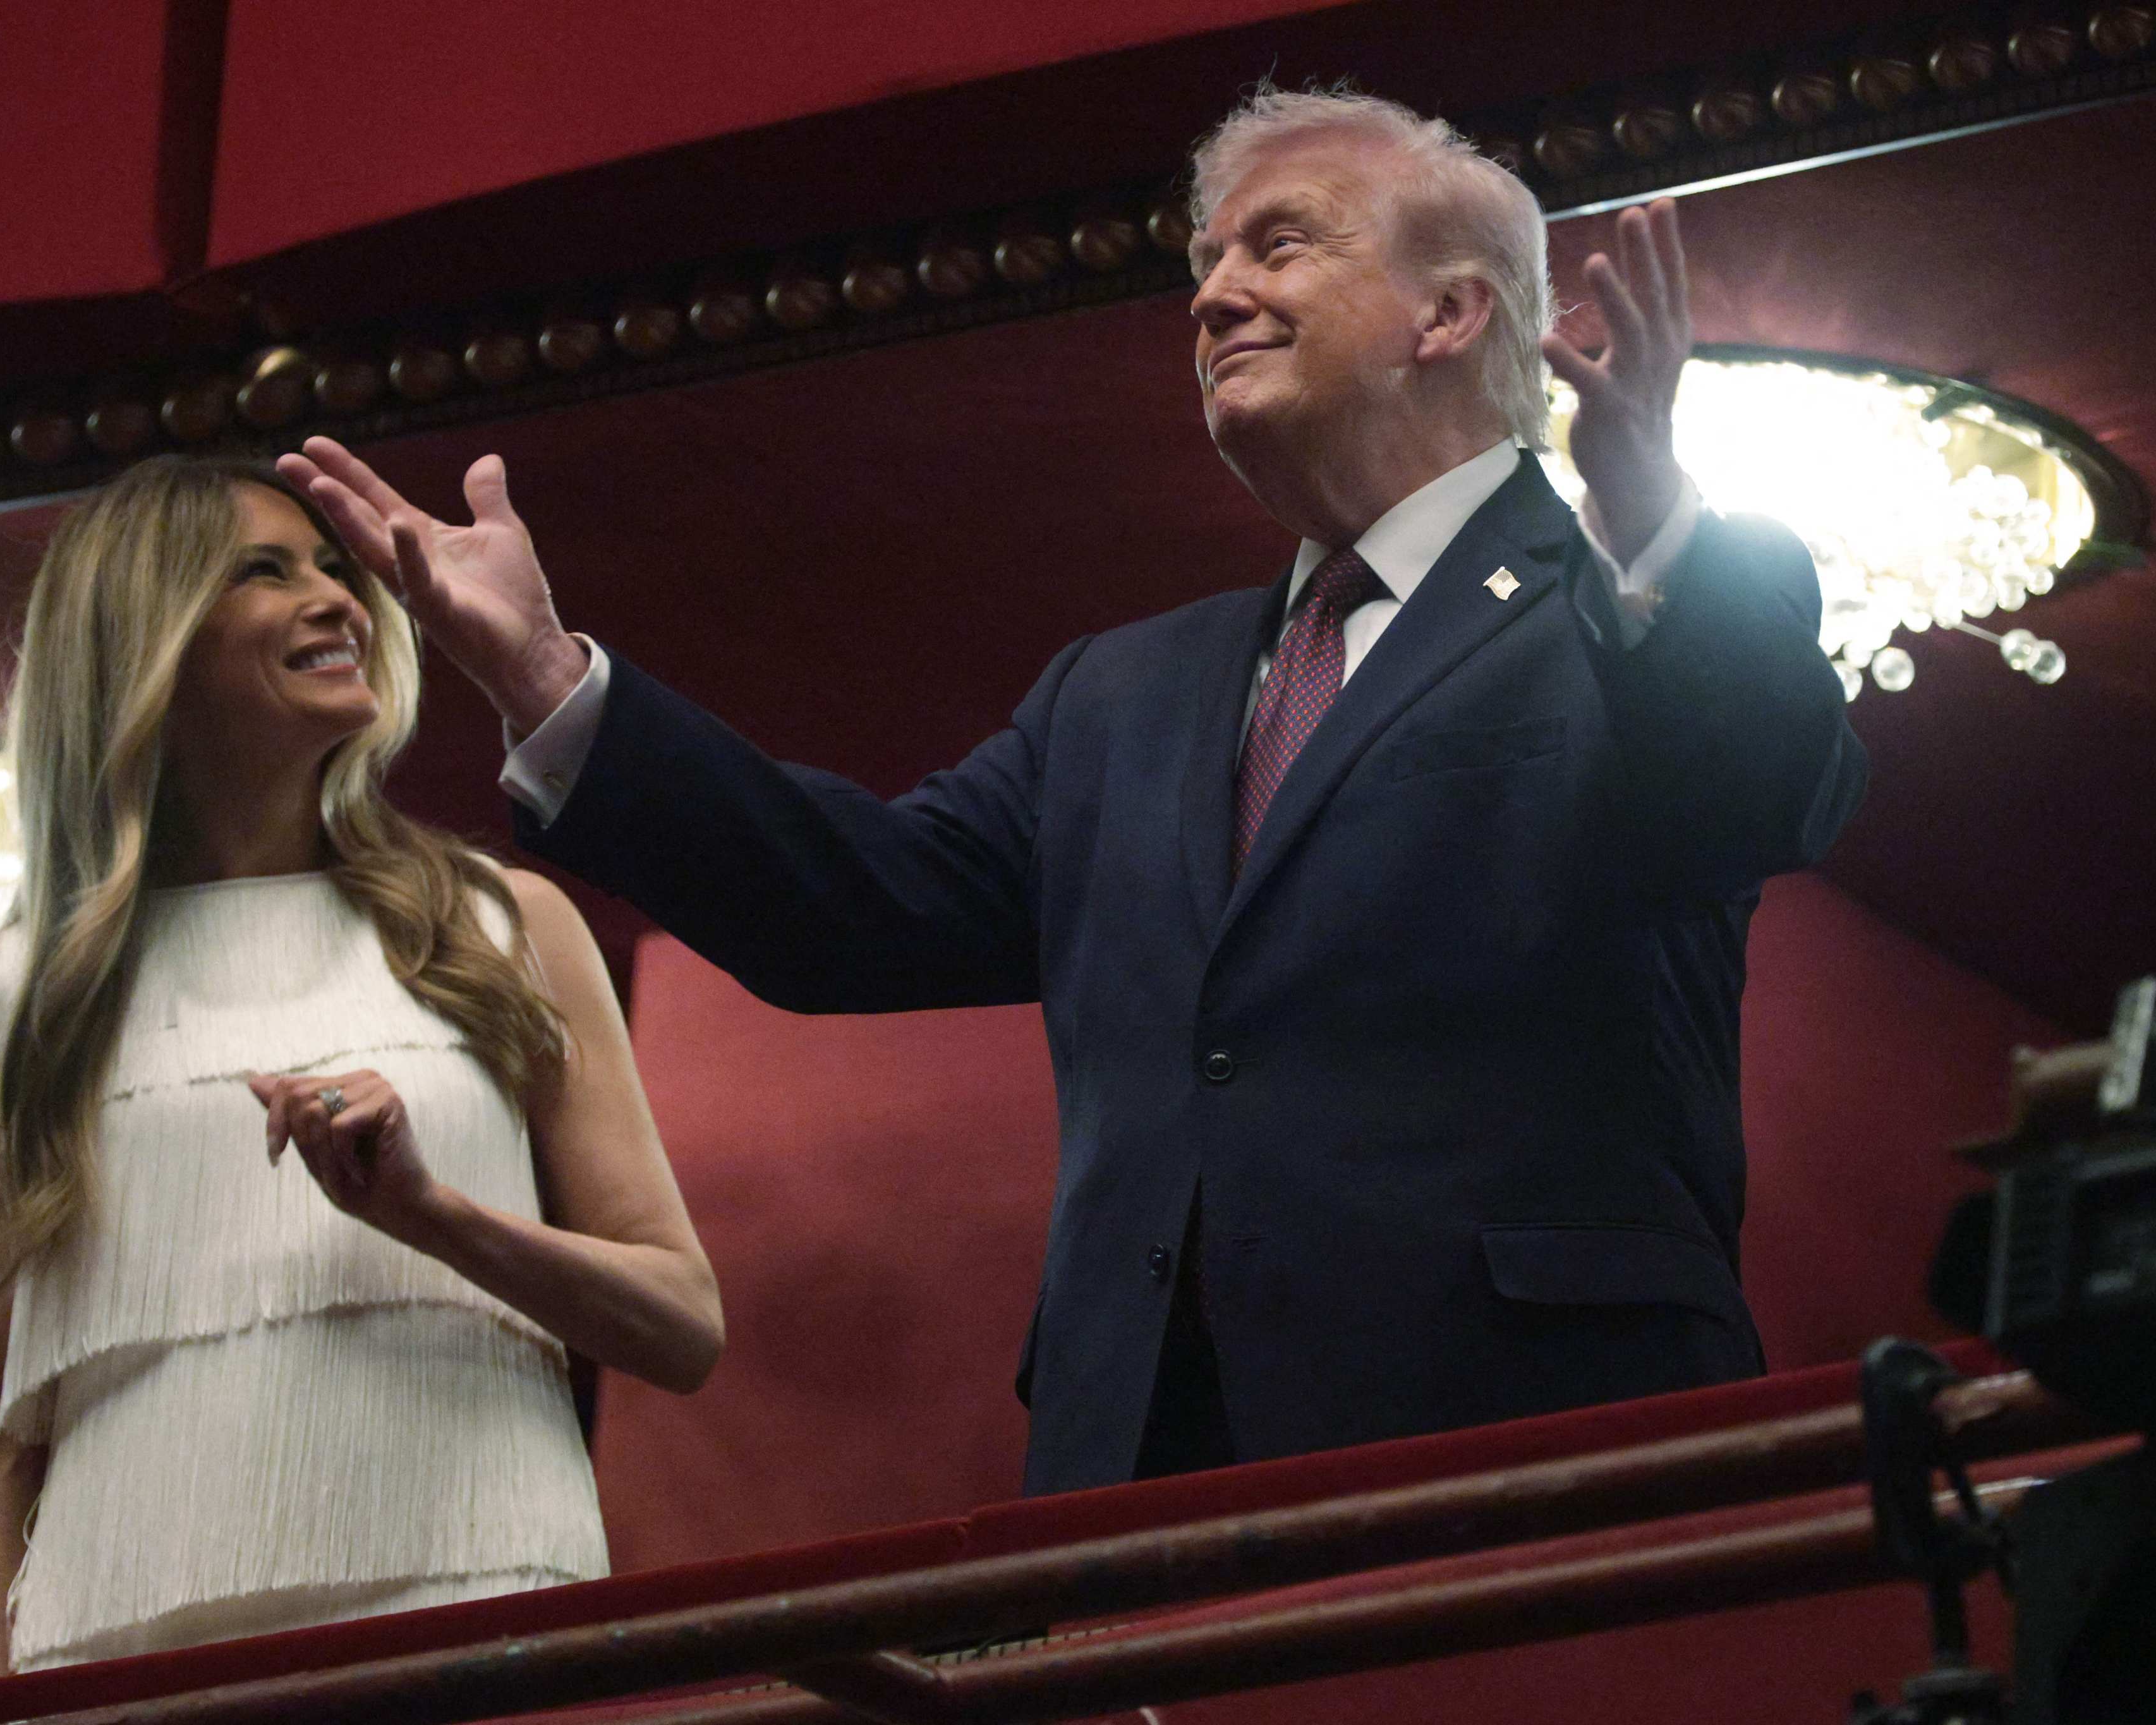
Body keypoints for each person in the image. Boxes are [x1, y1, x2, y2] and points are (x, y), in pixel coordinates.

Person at [284, 84, 1864, 1495]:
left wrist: (1655, 508)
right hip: (1148, 1465)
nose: (1213, 297)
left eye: (1278, 247)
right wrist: (547, 680)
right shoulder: (1125, 691)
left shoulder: (1630, 609)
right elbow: (852, 916)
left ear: (1447, 313)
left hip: (1527, 1444)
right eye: (1205, 266)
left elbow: (1748, 791)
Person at [0, 457, 722, 1680]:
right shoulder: (11, 1001)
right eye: (266, 570)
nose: (340, 599)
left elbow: (682, 1324)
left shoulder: (504, 926)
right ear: (148, 638)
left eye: (334, 569)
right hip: (129, 1678)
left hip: (487, 1644)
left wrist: (431, 1214)